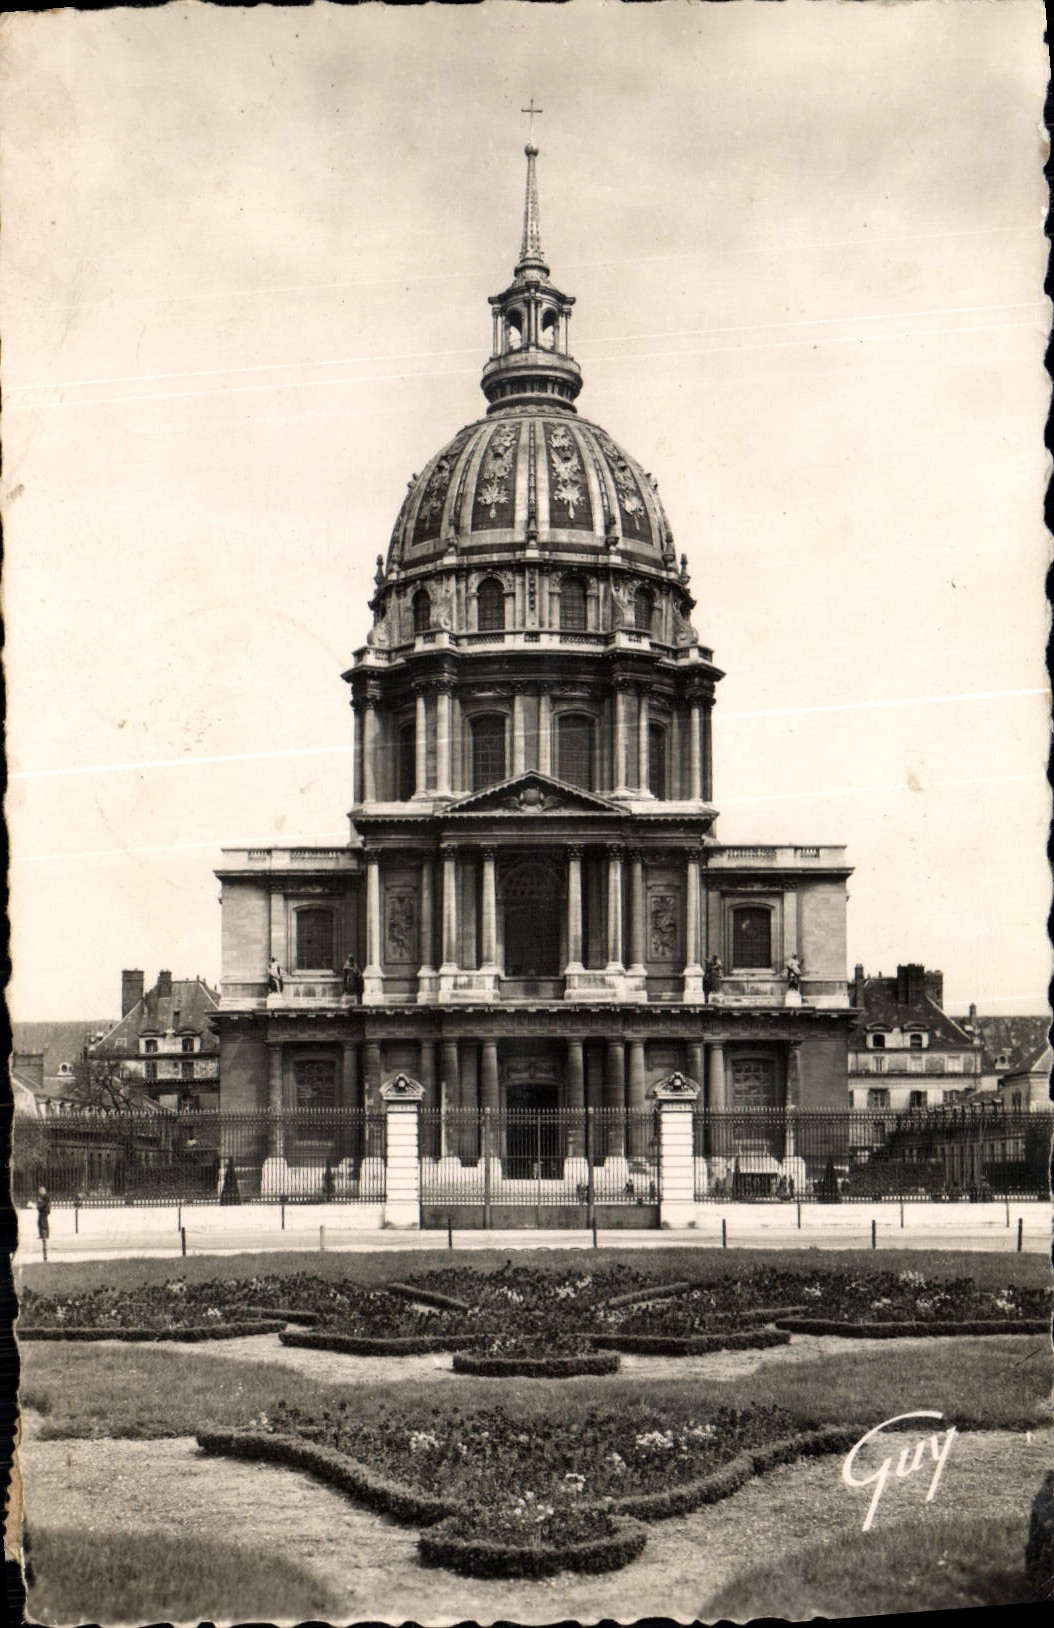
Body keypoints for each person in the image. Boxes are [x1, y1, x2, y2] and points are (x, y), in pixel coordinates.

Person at [35, 1187, 51, 1259]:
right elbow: (39, 1204)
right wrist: (39, 1205)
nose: (39, 1192)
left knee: (43, 1223)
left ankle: (45, 1235)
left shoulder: (46, 1196)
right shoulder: (41, 1197)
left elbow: (46, 1204)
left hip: (44, 1211)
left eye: (40, 1191)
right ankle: (42, 1235)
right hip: (42, 1211)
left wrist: (40, 1205)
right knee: (40, 1222)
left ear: (43, 1191)